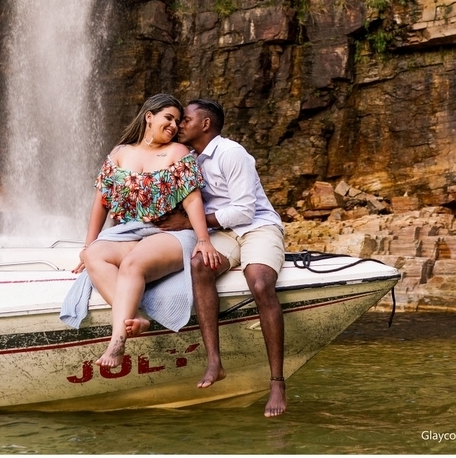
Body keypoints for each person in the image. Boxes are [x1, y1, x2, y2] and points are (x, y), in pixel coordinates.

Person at [61, 94, 220, 369]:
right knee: (95, 256)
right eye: (168, 118)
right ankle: (138, 317)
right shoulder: (120, 153)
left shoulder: (177, 153)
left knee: (133, 265)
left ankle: (117, 341)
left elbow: (192, 199)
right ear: (149, 116)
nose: (173, 126)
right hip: (129, 232)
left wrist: (203, 239)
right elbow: (102, 201)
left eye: (178, 121)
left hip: (169, 232)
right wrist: (88, 246)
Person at [156, 98, 288, 417]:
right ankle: (214, 361)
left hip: (257, 226)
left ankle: (277, 382)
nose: (179, 124)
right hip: (224, 233)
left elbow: (244, 210)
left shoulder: (232, 153)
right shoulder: (188, 159)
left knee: (259, 283)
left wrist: (188, 223)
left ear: (205, 124)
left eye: (186, 119)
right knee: (200, 263)